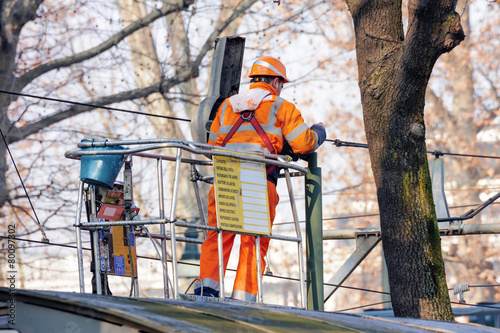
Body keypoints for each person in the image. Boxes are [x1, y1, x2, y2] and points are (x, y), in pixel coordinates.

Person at [194, 56, 326, 301]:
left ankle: (206, 289)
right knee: (253, 239)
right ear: (275, 81)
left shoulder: (226, 106)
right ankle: (243, 296)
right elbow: (304, 143)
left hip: (225, 180)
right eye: (281, 83)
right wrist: (319, 133)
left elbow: (212, 146)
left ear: (254, 80)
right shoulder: (281, 106)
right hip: (260, 182)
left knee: (218, 233)